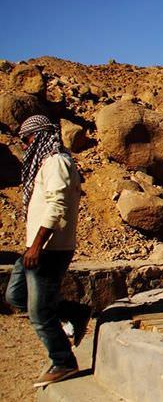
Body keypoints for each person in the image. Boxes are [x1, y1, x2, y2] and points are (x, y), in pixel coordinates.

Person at [4, 115, 90, 387]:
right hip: (36, 246)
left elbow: (57, 206)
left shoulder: (56, 163)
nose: (27, 145)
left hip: (49, 248)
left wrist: (38, 245)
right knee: (16, 295)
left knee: (40, 314)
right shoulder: (45, 163)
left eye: (28, 139)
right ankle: (74, 313)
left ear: (39, 136)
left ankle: (63, 361)